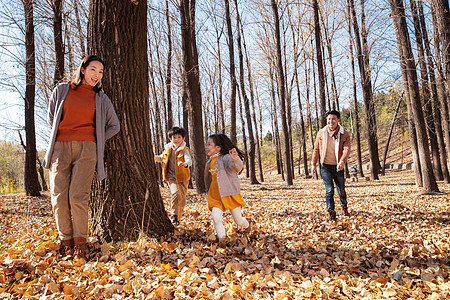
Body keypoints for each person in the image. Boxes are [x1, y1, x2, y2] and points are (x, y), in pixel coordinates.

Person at [42, 55, 120, 260]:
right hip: (60, 147)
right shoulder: (62, 90)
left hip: (87, 149)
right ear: (83, 69)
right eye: (93, 69)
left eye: (101, 72)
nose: (97, 75)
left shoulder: (101, 98)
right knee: (59, 196)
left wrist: (97, 138)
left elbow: (115, 125)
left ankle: (80, 244)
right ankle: (65, 241)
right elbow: (52, 116)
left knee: (78, 196)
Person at [204, 134, 251, 245]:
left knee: (238, 221)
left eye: (209, 144)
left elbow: (236, 167)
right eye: (207, 144)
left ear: (218, 148)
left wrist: (235, 159)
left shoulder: (225, 159)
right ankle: (222, 240)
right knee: (216, 217)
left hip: (229, 194)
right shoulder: (209, 162)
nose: (207, 147)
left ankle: (247, 224)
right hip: (215, 196)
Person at [311, 110, 351, 221]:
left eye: (333, 119)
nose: (331, 121)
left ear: (338, 120)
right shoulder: (321, 133)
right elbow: (316, 149)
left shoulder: (344, 134)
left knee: (341, 189)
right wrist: (313, 164)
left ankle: (344, 207)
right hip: (325, 167)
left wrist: (342, 161)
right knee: (329, 190)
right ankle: (331, 212)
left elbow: (347, 149)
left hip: (338, 166)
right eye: (329, 119)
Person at [154, 127, 192, 225]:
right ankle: (174, 215)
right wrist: (152, 157)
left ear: (183, 138)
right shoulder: (167, 149)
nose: (177, 139)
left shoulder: (185, 149)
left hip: (183, 178)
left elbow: (189, 160)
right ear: (170, 139)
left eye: (179, 137)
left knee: (182, 199)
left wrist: (185, 164)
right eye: (174, 137)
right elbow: (161, 158)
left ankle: (177, 219)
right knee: (176, 193)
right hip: (171, 177)